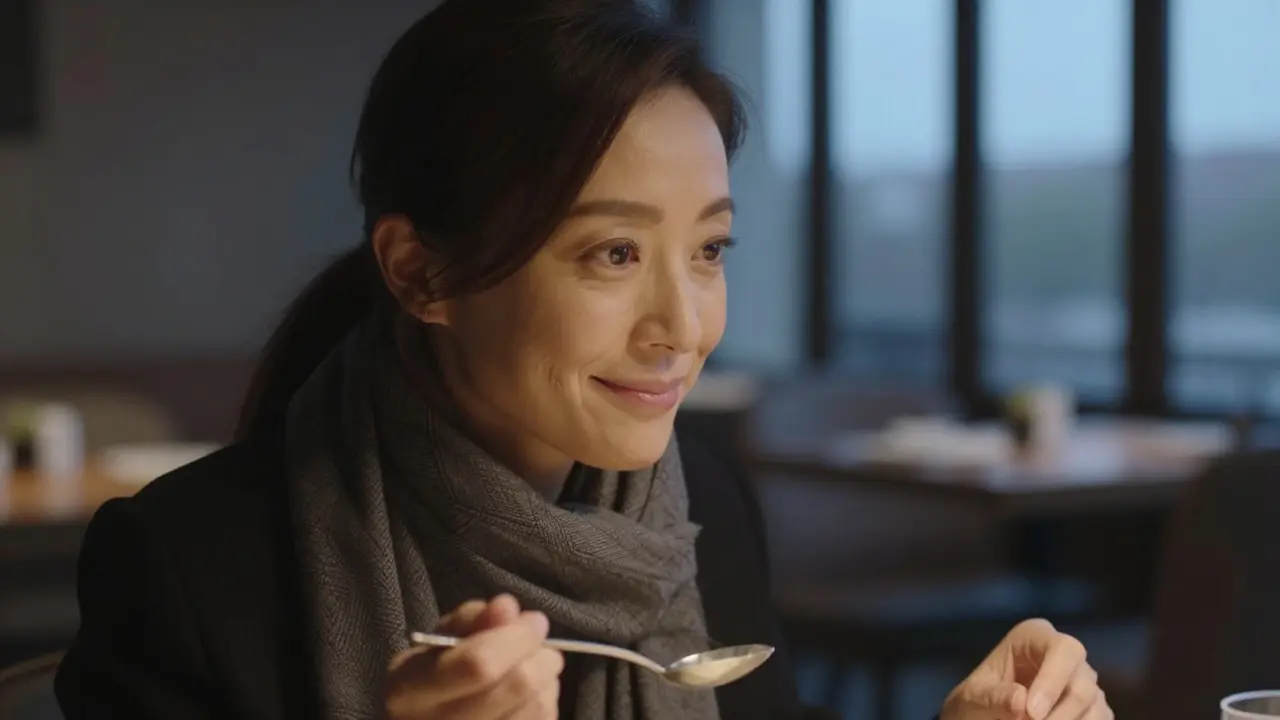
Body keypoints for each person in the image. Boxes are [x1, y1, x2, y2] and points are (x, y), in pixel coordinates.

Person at [53, 1, 1114, 718]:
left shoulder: (706, 509)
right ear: (420, 274)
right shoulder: (189, 565)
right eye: (611, 253)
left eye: (707, 251)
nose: (682, 325)